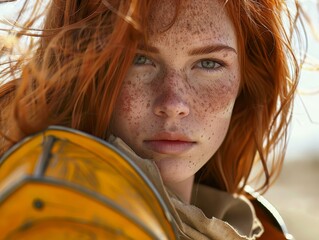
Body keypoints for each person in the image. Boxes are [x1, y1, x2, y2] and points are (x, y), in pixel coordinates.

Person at [0, 0, 305, 239]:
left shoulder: (255, 227)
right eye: (139, 59)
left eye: (208, 63)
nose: (173, 103)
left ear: (246, 83)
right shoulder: (48, 219)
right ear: (85, 71)